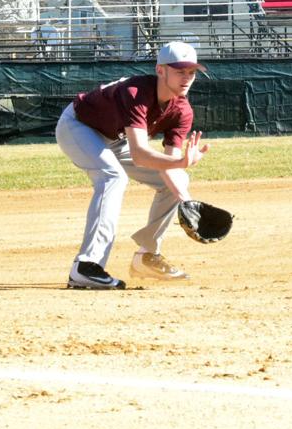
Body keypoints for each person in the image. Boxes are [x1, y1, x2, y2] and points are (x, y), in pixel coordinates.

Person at [56, 41, 209, 289]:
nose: (187, 78)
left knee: (175, 182)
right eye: (180, 71)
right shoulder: (137, 91)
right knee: (112, 177)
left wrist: (187, 201)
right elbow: (140, 154)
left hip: (115, 139)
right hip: (79, 126)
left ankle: (147, 255)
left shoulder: (182, 111)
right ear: (160, 70)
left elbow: (169, 167)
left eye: (192, 72)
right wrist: (181, 161)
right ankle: (86, 266)